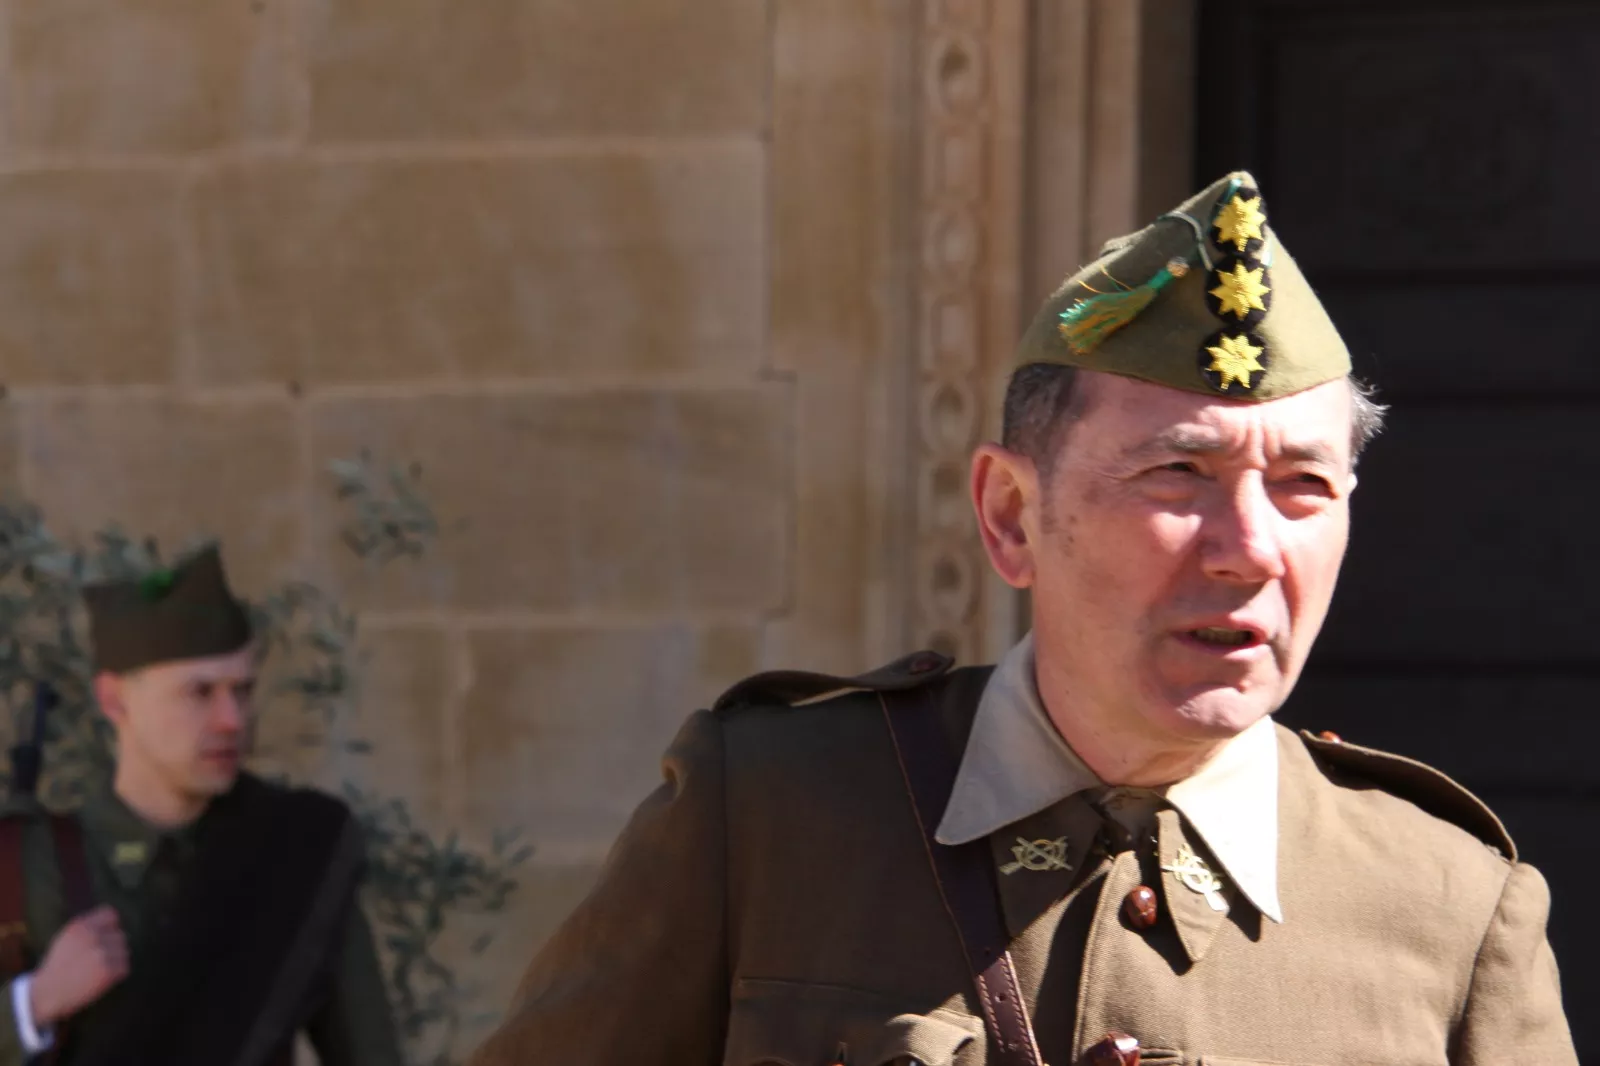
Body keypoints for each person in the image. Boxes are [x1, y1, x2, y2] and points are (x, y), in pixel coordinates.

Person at [465, 172, 1577, 1065]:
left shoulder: (1448, 904)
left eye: (1302, 486)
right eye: (1177, 473)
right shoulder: (767, 817)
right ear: (1009, 513)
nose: (1249, 549)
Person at [0, 544, 404, 1066]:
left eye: (242, 690)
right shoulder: (30, 865)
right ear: (115, 700)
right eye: (200, 693)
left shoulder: (294, 851)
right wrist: (35, 1002)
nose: (232, 720)